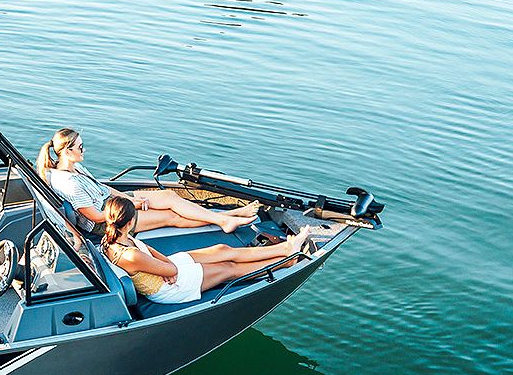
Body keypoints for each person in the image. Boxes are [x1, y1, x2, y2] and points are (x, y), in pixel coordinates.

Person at [37, 128, 261, 233]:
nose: (84, 150)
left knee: (169, 196)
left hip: (114, 203)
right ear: (67, 151)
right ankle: (225, 219)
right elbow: (94, 216)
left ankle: (226, 217)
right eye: (80, 147)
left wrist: (129, 198)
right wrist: (129, 205)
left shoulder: (76, 168)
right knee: (171, 216)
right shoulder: (69, 183)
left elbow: (102, 188)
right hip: (107, 220)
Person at [98, 196, 317, 305]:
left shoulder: (116, 237)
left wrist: (165, 264)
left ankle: (286, 247)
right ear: (128, 223)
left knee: (222, 249)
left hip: (162, 270)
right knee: (228, 268)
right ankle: (286, 261)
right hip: (167, 289)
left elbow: (152, 253)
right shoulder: (128, 254)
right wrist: (169, 269)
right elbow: (169, 269)